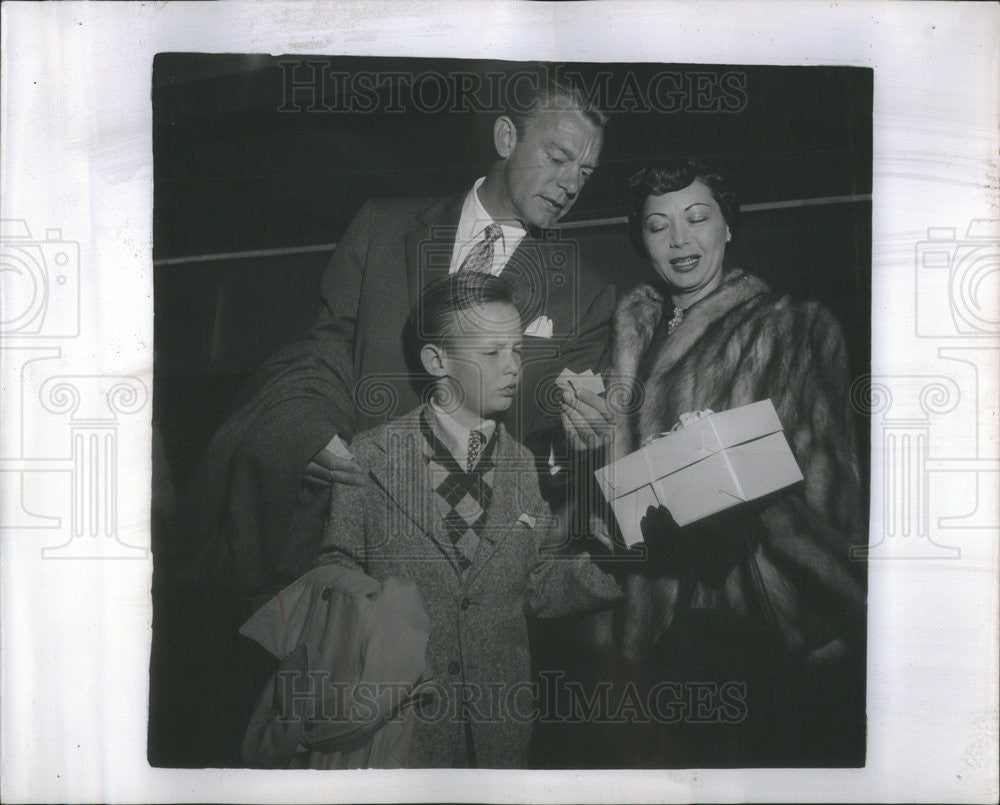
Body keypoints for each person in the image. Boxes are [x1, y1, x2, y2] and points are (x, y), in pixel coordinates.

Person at [183, 75, 616, 605]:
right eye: (558, 157)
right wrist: (311, 433)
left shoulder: (587, 294)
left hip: (461, 567)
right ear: (506, 138)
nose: (571, 183)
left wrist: (574, 443)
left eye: (586, 171)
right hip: (339, 541)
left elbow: (547, 445)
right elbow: (325, 353)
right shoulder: (381, 225)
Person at [585, 158, 867, 766]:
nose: (679, 239)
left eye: (697, 217)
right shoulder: (620, 339)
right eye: (658, 226)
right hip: (633, 612)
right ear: (642, 241)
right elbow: (598, 483)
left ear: (728, 227)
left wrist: (716, 475)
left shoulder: (792, 329)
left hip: (738, 616)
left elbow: (827, 494)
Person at [313, 273, 623, 768]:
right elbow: (336, 575)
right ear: (436, 361)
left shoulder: (524, 466)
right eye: (491, 353)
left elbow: (540, 586)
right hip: (392, 735)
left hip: (500, 740)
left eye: (517, 350)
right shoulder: (369, 457)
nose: (513, 367)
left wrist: (618, 560)